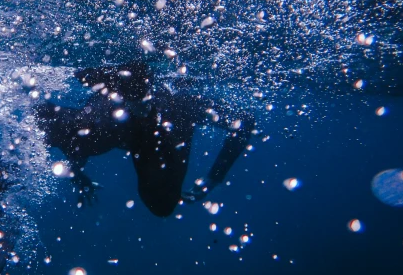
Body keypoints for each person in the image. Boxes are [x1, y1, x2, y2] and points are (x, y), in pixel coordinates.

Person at [35, 61, 255, 217]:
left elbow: (245, 122)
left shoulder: (175, 110)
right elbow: (244, 122)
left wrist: (215, 177)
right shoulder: (177, 110)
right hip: (135, 108)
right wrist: (215, 177)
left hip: (134, 109)